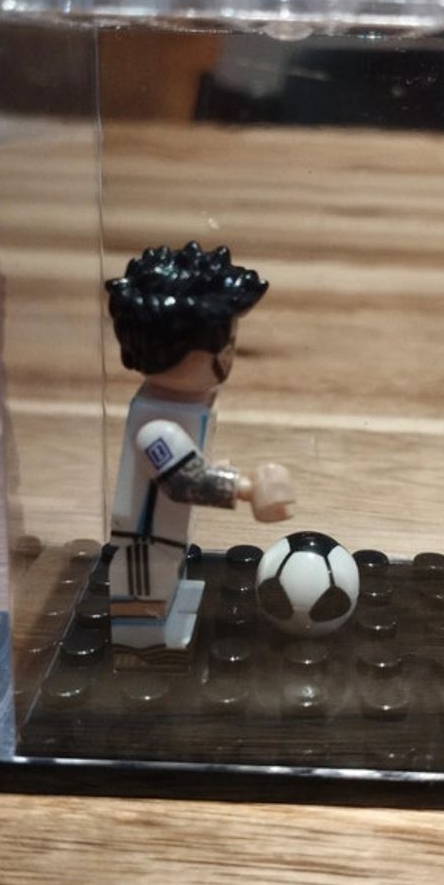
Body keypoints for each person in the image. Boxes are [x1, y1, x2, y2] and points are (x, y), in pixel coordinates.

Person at [106, 241, 293, 656]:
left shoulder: (185, 406)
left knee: (167, 581)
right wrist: (248, 487)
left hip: (167, 532)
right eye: (221, 348)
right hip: (145, 539)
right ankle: (143, 654)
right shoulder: (156, 426)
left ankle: (159, 627)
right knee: (144, 594)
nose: (228, 358)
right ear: (171, 351)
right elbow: (185, 480)